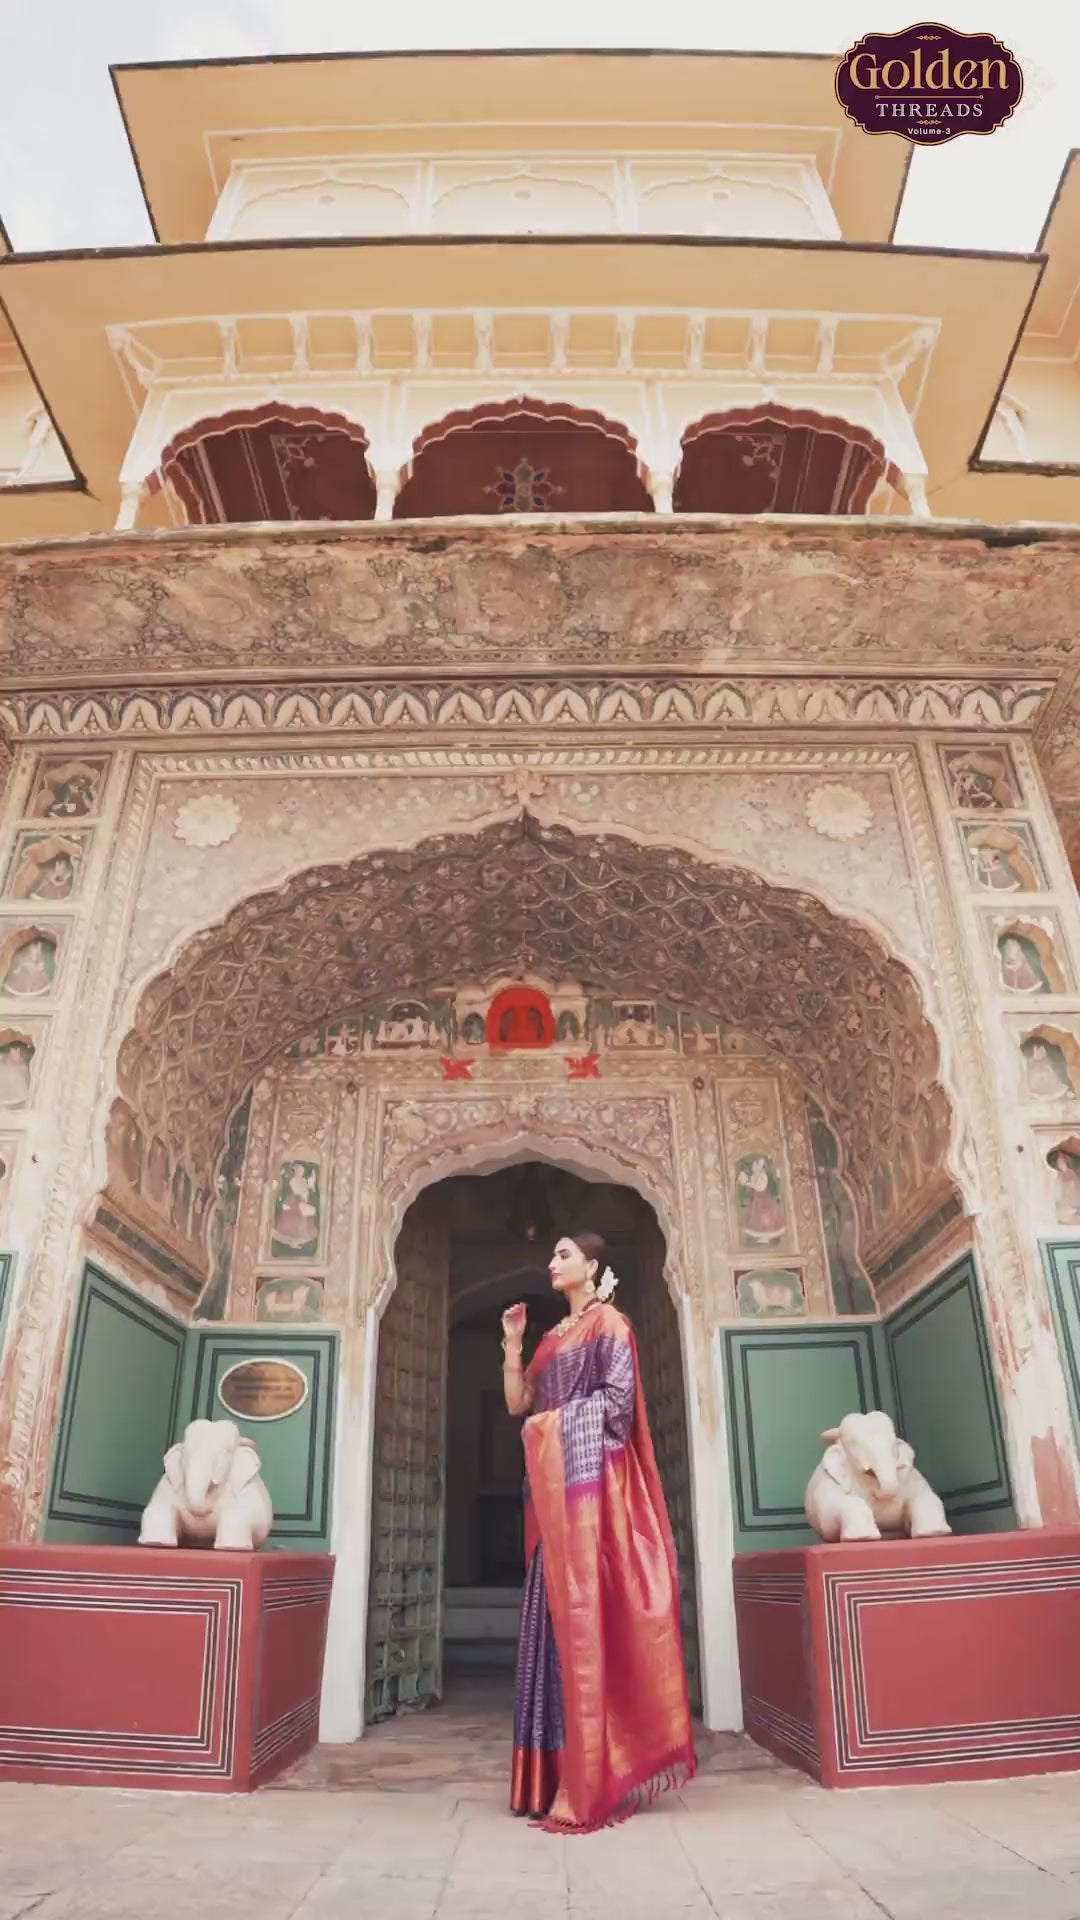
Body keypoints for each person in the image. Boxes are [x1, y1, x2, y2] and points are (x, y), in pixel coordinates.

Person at [500, 1229, 696, 1834]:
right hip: (551, 1503)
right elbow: (519, 1405)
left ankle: (600, 1771)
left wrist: (551, 1429)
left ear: (593, 1266)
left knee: (592, 1623)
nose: (552, 1263)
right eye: (553, 1255)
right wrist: (512, 1345)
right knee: (549, 1627)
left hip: (594, 1502)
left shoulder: (611, 1326)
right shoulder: (553, 1338)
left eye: (563, 1254)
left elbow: (615, 1409)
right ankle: (549, 1777)